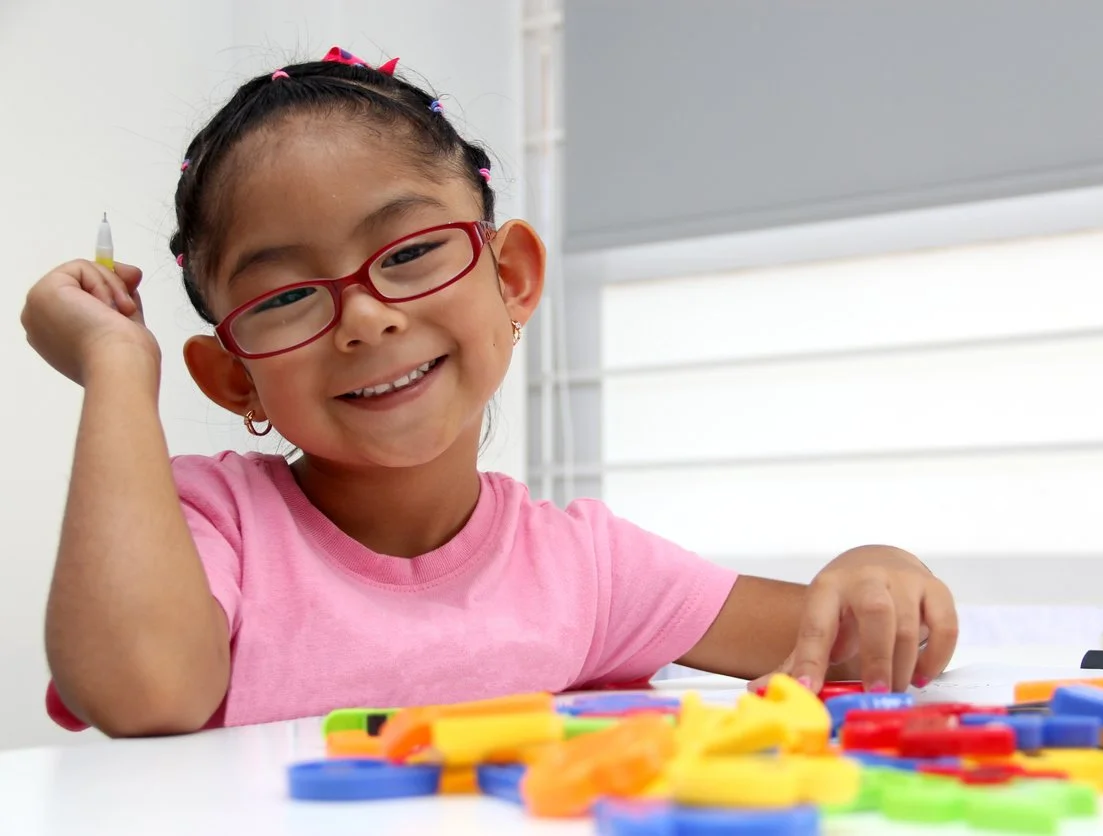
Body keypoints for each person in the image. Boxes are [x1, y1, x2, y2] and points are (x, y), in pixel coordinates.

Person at [20, 47, 959, 738]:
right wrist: (115, 372)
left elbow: (863, 651)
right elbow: (142, 692)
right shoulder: (211, 527)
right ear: (233, 377)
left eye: (413, 252)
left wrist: (880, 571)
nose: (365, 319)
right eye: (290, 296)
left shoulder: (587, 571)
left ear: (509, 278)